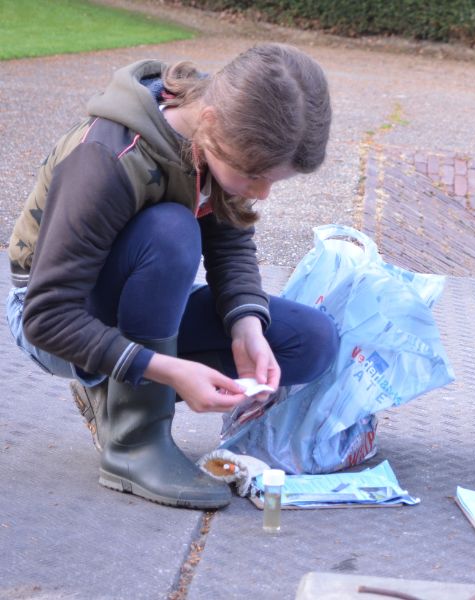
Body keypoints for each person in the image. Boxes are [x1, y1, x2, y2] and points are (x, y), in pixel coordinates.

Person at [6, 43, 339, 510]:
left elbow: (230, 240)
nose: (263, 193)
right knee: (171, 230)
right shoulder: (106, 159)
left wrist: (246, 327)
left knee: (310, 342)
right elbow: (46, 318)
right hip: (57, 319)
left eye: (274, 180)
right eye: (255, 175)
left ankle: (114, 394)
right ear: (210, 123)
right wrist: (170, 372)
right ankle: (134, 443)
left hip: (130, 300)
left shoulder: (222, 123)